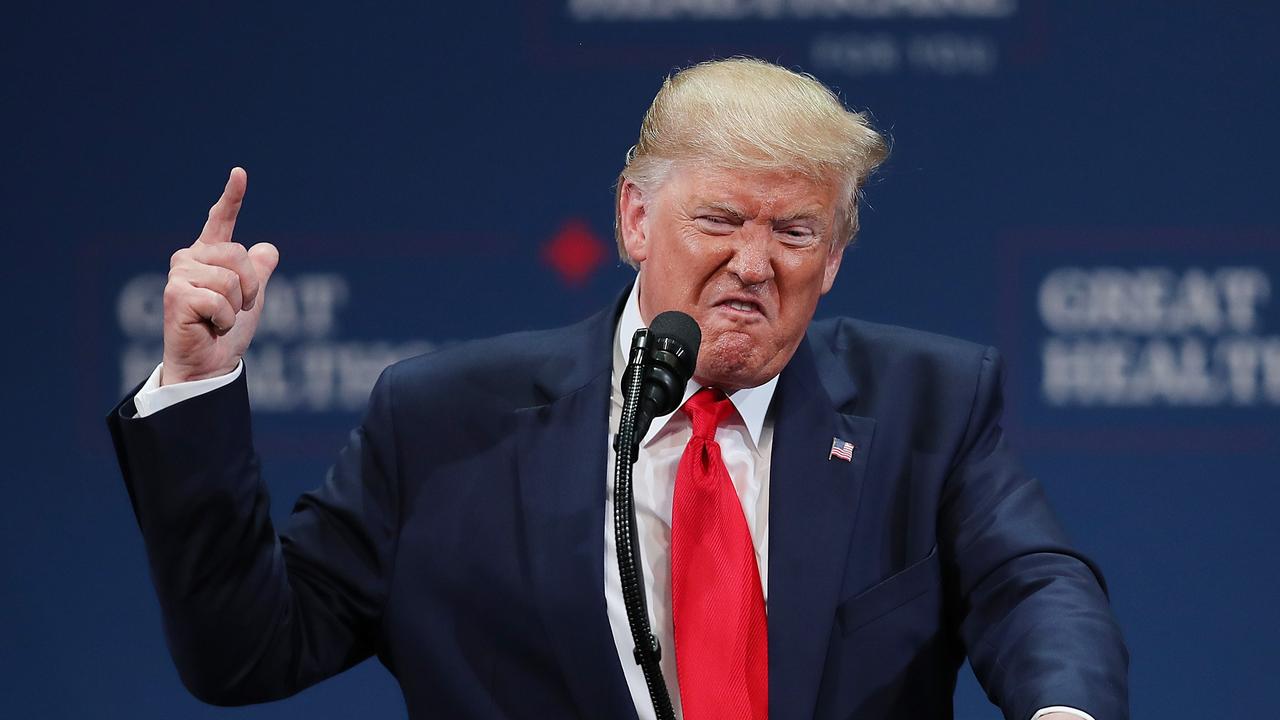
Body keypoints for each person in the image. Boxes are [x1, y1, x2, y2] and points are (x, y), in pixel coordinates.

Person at [108, 58, 1128, 720]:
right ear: (635, 218)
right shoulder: (442, 423)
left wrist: (1063, 712)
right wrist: (200, 388)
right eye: (719, 219)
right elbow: (244, 654)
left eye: (794, 232)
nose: (753, 263)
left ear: (835, 256)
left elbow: (1033, 585)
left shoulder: (928, 405)